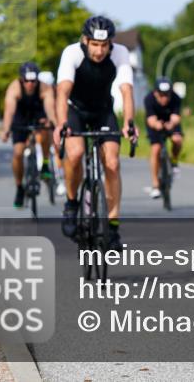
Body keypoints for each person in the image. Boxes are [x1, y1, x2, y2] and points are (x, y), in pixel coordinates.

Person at [53, 16, 137, 251]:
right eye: (95, 45)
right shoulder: (72, 54)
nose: (100, 51)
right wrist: (61, 124)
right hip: (76, 111)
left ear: (110, 43)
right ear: (85, 40)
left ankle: (112, 228)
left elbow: (127, 91)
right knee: (76, 153)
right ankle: (71, 203)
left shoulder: (119, 53)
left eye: (104, 45)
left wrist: (130, 122)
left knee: (111, 163)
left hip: (103, 111)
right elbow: (62, 92)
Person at [1, 62, 57, 208]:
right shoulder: (14, 88)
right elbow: (9, 111)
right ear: (21, 79)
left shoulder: (45, 87)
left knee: (45, 130)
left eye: (33, 80)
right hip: (21, 117)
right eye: (27, 80)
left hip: (38, 114)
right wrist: (6, 129)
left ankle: (44, 164)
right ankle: (19, 187)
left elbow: (50, 108)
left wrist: (53, 123)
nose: (30, 84)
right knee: (18, 153)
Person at [144, 77, 183, 199]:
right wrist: (157, 125)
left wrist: (170, 124)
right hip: (155, 123)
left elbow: (176, 116)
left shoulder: (176, 98)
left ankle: (174, 162)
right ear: (155, 93)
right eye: (161, 95)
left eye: (167, 95)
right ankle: (156, 185)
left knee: (177, 139)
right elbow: (150, 120)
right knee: (155, 149)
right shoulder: (149, 99)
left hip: (170, 122)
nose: (164, 98)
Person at [39, 70, 67, 196]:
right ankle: (39, 164)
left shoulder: (58, 93)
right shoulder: (35, 93)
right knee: (38, 139)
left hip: (54, 124)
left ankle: (61, 180)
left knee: (57, 150)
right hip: (40, 125)